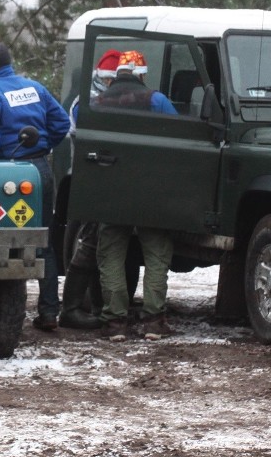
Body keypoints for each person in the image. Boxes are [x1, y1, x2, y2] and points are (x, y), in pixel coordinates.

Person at [0, 43, 71, 331]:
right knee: (43, 240)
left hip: (7, 175)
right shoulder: (34, 88)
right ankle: (50, 312)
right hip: (40, 170)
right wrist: (43, 147)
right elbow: (62, 122)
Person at [94, 50, 178, 342]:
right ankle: (154, 322)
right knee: (156, 254)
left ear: (118, 74)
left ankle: (115, 323)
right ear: (142, 74)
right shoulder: (157, 100)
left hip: (110, 190)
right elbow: (179, 137)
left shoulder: (97, 102)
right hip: (151, 190)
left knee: (112, 255)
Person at [60, 49, 120, 330]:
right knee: (89, 243)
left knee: (97, 245)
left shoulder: (103, 100)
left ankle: (95, 306)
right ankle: (71, 308)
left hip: (103, 181)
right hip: (90, 180)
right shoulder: (85, 103)